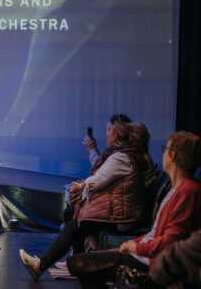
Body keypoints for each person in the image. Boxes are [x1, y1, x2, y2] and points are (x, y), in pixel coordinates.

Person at [66, 131, 201, 289]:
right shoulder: (175, 189)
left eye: (165, 149)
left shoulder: (188, 191)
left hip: (152, 258)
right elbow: (156, 232)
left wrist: (136, 247)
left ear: (172, 155)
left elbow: (169, 241)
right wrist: (133, 243)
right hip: (145, 250)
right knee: (79, 263)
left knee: (81, 264)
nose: (163, 154)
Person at [20, 122, 148, 280]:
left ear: (116, 136)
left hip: (122, 217)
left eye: (109, 131)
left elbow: (98, 181)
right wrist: (84, 185)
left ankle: (45, 265)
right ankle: (75, 264)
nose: (106, 134)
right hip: (122, 213)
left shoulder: (122, 157)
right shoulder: (126, 155)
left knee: (76, 224)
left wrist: (83, 185)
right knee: (77, 219)